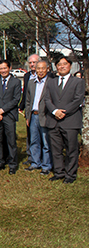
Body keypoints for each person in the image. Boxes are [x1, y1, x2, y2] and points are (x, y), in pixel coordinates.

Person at [44, 56, 85, 184]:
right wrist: (55, 111)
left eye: (64, 64)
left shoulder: (78, 82)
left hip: (70, 121)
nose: (62, 66)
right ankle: (59, 172)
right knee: (56, 149)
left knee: (71, 149)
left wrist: (63, 112)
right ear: (56, 67)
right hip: (53, 120)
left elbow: (78, 99)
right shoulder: (51, 81)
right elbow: (47, 99)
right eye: (59, 64)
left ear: (70, 66)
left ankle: (70, 174)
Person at [0, 59, 22, 174]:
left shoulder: (16, 82)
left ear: (9, 68)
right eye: (1, 68)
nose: (3, 70)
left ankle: (12, 164)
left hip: (9, 115)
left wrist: (2, 110)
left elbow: (16, 99)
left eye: (5, 68)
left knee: (11, 140)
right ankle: (0, 162)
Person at [24, 60, 52, 175]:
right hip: (33, 116)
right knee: (34, 141)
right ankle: (35, 163)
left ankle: (46, 166)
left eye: (42, 68)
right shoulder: (31, 82)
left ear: (47, 69)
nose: (40, 71)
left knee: (46, 143)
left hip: (45, 116)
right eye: (38, 68)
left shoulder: (51, 82)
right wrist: (27, 115)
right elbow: (28, 101)